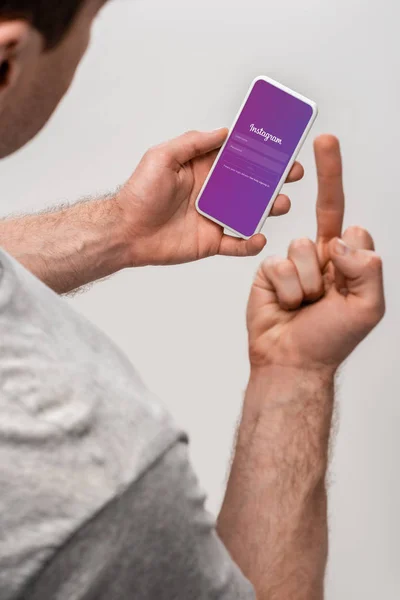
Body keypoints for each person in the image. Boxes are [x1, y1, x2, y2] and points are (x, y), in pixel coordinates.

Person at [0, 1, 385, 599]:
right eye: (93, 19)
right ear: (8, 59)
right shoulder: (83, 466)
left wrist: (119, 229)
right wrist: (294, 373)